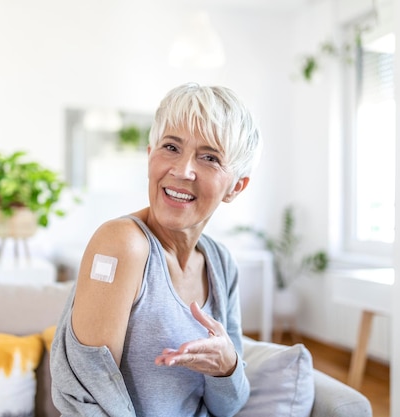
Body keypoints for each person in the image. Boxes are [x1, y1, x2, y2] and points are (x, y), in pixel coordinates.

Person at [50, 82, 262, 417]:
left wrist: (228, 366)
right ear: (150, 155)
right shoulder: (121, 244)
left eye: (209, 157)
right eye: (171, 147)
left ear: (236, 187)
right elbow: (87, 401)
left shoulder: (221, 264)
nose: (182, 170)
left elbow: (229, 406)